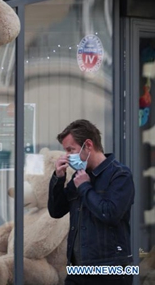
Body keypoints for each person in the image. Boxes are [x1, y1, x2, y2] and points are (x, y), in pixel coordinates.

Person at [48, 119, 135, 285]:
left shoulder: (120, 175)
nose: (67, 156)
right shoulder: (79, 176)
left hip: (110, 271)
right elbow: (56, 211)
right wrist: (58, 178)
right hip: (77, 269)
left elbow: (110, 213)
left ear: (88, 145)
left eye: (70, 150)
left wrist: (85, 187)